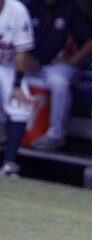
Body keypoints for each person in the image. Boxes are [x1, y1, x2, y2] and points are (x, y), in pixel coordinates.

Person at [26, 0, 92, 151]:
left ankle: (56, 135)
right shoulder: (31, 7)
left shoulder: (69, 9)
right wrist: (23, 57)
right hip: (30, 63)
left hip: (57, 66)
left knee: (59, 83)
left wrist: (73, 60)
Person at [0, 0, 34, 177]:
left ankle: (9, 163)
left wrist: (17, 85)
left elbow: (22, 51)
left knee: (21, 106)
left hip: (8, 67)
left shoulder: (17, 10)